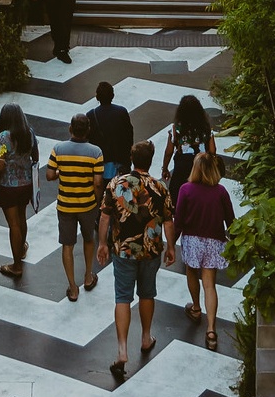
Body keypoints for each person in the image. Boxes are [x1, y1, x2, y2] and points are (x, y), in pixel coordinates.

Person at [97, 139, 175, 379]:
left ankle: (122, 350)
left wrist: (102, 244)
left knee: (122, 297)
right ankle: (145, 337)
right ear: (150, 161)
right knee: (147, 293)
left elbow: (105, 217)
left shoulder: (116, 184)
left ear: (132, 159)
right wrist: (171, 247)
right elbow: (169, 220)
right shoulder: (160, 187)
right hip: (150, 250)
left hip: (123, 250)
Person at [175, 149, 234, 351]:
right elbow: (231, 220)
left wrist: (169, 245)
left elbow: (179, 220)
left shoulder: (185, 189)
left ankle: (195, 307)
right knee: (210, 284)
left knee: (192, 273)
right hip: (214, 242)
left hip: (192, 241)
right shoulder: (221, 191)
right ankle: (211, 329)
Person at [47, 113, 105, 301]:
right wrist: (97, 203)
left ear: (70, 129)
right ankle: (88, 276)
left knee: (67, 245)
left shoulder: (58, 149)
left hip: (65, 205)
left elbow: (49, 175)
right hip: (87, 205)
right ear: (88, 130)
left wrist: (60, 171)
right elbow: (97, 182)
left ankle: (72, 287)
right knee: (89, 240)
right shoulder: (96, 152)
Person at [0, 103, 39, 279]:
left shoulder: (2, 138)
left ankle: (16, 265)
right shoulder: (29, 132)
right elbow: (36, 157)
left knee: (13, 224)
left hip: (8, 186)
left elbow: (0, 166)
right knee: (22, 217)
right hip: (26, 185)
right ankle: (22, 248)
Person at [162, 94, 217, 211]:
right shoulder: (206, 128)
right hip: (201, 166)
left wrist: (165, 168)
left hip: (181, 168)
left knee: (177, 196)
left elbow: (169, 152)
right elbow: (212, 150)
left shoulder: (176, 128)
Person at [86, 80, 134, 182]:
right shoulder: (122, 112)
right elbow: (129, 136)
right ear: (112, 95)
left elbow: (88, 140)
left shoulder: (91, 115)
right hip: (121, 162)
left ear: (97, 97)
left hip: (100, 164)